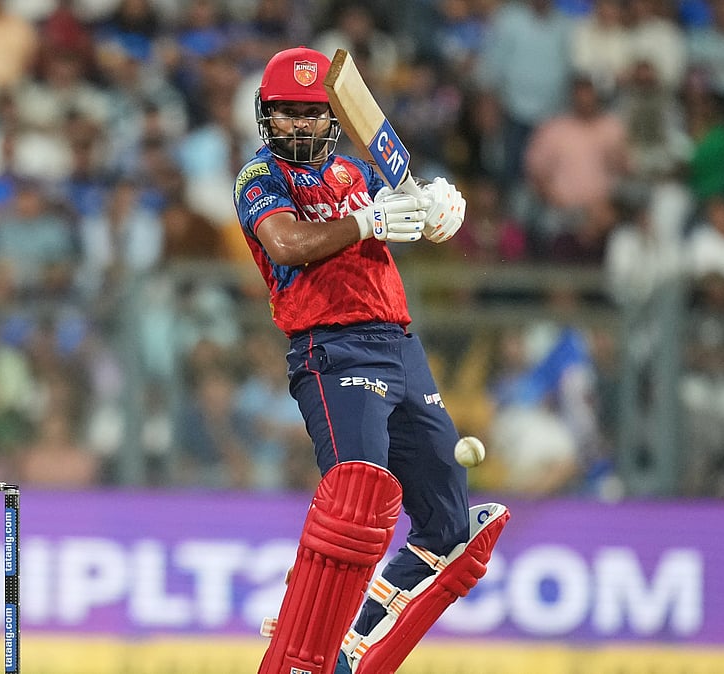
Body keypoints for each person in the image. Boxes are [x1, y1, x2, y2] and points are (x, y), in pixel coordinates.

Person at [233, 47, 510, 674]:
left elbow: (403, 215)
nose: (298, 126)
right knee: (356, 503)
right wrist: (368, 221)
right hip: (332, 348)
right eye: (285, 115)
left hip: (400, 345)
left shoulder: (357, 173)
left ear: (329, 117)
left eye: (309, 113)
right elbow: (288, 242)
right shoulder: (259, 179)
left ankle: (350, 636)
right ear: (265, 117)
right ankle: (309, 636)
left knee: (446, 526)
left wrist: (438, 213)